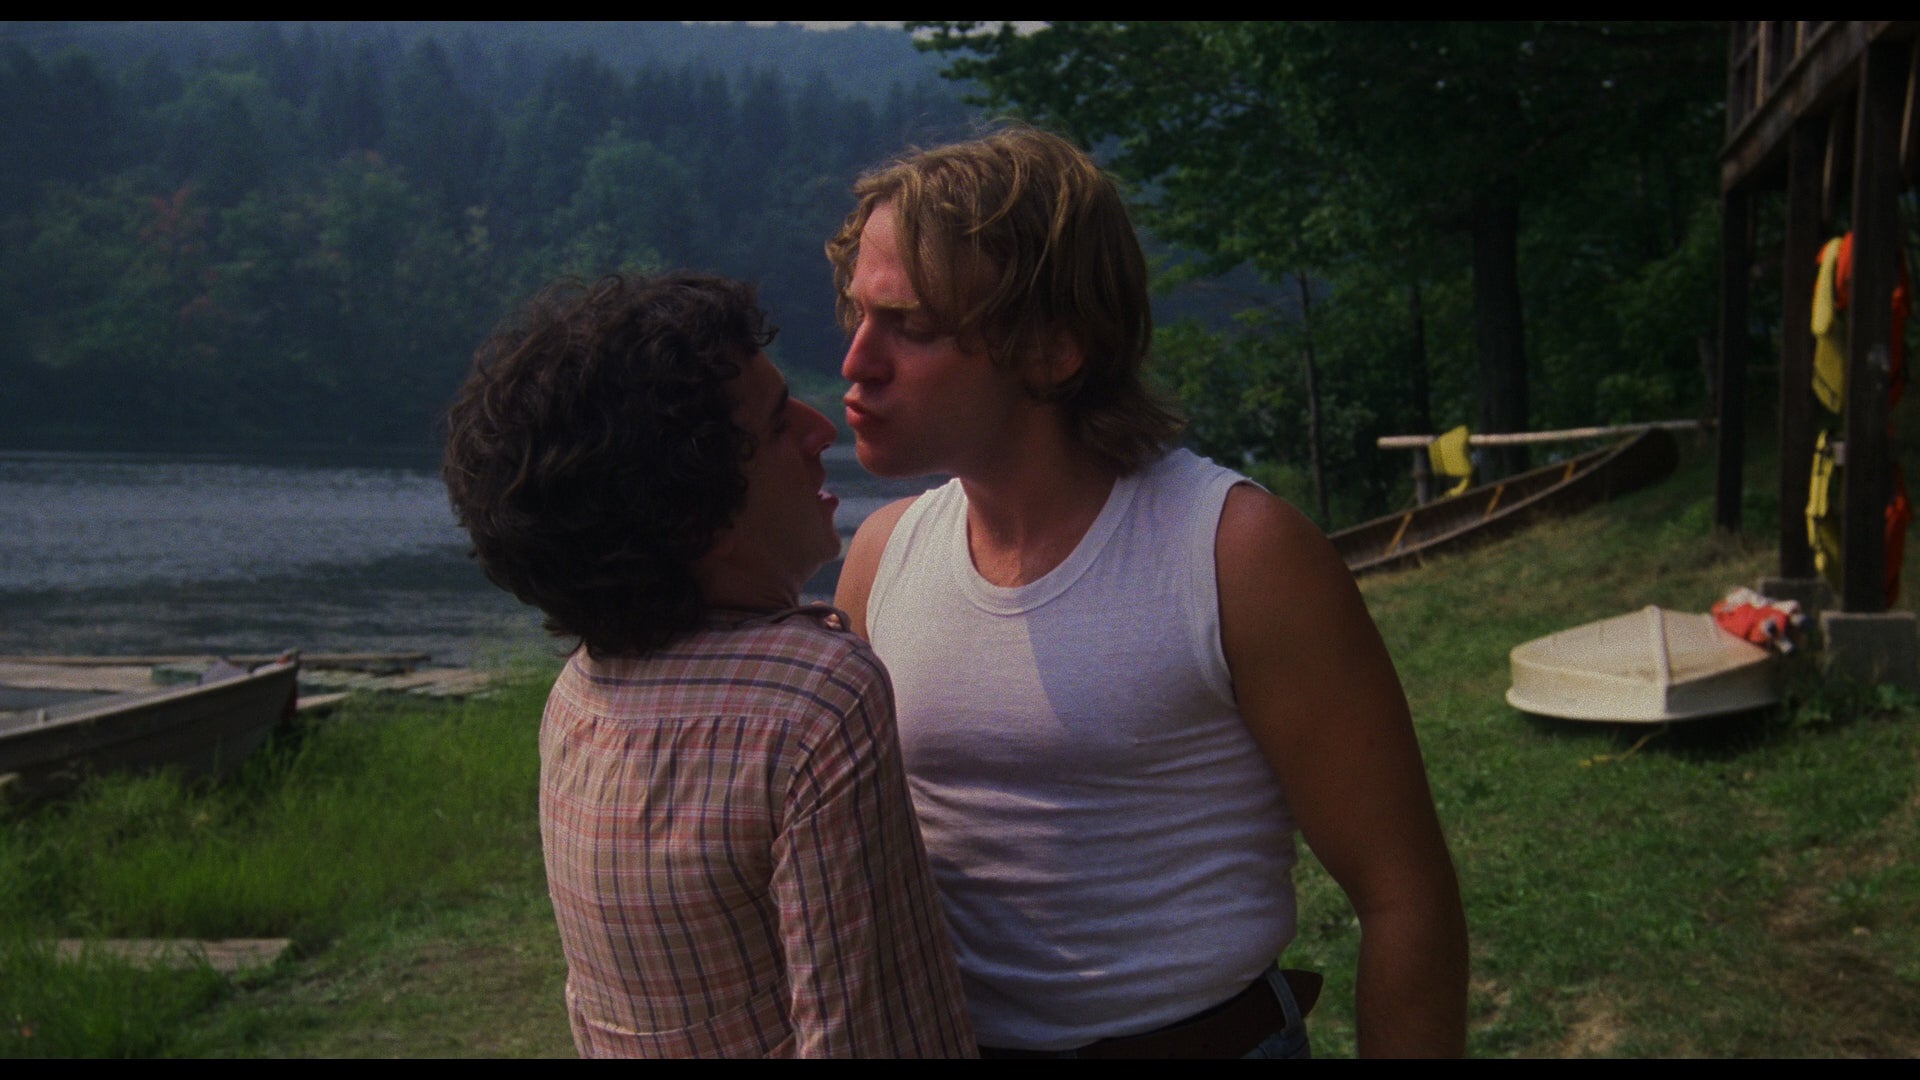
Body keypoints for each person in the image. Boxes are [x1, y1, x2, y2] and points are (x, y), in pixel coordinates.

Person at [826, 126, 1469, 1058]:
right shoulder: (882, 558)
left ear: (1054, 350)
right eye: (858, 313)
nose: (856, 361)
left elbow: (1405, 897)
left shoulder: (1236, 555)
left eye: (911, 327)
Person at [441, 271, 975, 1058]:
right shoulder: (816, 701)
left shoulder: (578, 696)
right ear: (697, 511)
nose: (821, 430)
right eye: (777, 422)